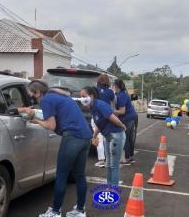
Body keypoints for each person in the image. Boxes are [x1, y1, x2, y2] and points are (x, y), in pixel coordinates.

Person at [26, 80, 92, 217]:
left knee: (61, 175)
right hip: (86, 136)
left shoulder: (46, 100)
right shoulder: (59, 96)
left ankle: (55, 212)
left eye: (31, 94)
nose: (31, 98)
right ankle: (80, 210)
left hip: (72, 137)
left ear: (37, 93)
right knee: (80, 175)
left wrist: (35, 121)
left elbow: (51, 126)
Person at [80, 86, 126, 185]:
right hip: (107, 136)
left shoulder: (100, 105)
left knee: (113, 165)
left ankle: (113, 189)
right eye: (81, 96)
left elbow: (112, 117)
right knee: (109, 164)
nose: (82, 98)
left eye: (84, 96)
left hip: (116, 135)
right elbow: (100, 123)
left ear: (91, 96)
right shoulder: (92, 107)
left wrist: (122, 125)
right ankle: (110, 185)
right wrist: (94, 135)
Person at [93, 74, 115, 168]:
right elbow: (114, 103)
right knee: (108, 137)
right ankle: (108, 159)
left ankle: (101, 160)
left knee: (98, 137)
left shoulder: (94, 90)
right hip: (107, 116)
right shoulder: (110, 92)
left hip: (97, 116)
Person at [113, 79, 137, 165]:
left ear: (116, 86)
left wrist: (111, 111)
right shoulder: (122, 93)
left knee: (125, 137)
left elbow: (122, 111)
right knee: (130, 138)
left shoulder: (122, 95)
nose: (113, 87)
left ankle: (126, 158)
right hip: (131, 116)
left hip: (127, 118)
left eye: (113, 85)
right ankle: (130, 156)